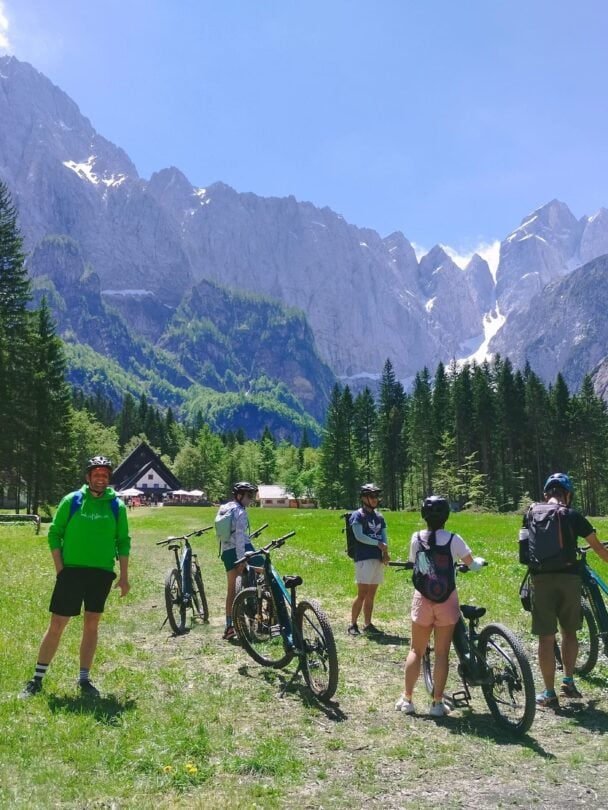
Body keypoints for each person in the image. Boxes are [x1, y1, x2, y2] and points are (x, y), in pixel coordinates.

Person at [19, 456, 131, 699]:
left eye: (105, 474)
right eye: (96, 473)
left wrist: (124, 577)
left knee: (92, 624)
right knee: (57, 624)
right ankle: (36, 680)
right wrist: (60, 569)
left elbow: (123, 541)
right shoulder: (72, 501)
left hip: (101, 573)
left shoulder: (116, 506)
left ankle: (84, 680)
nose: (101, 477)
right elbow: (54, 534)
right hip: (71, 572)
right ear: (88, 477)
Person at [395, 495, 484, 717]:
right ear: (446, 516)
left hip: (422, 599)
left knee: (416, 649)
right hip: (447, 601)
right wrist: (478, 563)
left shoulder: (416, 538)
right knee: (442, 653)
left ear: (424, 516)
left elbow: (418, 564)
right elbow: (471, 565)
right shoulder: (454, 539)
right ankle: (436, 703)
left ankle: (407, 699)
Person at [525, 472, 608, 707]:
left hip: (540, 581)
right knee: (569, 632)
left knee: (545, 638)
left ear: (546, 494)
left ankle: (549, 693)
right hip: (569, 579)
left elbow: (524, 550)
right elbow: (598, 549)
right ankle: (568, 681)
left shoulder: (531, 514)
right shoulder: (572, 515)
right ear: (567, 495)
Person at [215, 481, 258, 640]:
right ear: (239, 495)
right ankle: (265, 608)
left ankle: (229, 627)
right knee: (266, 569)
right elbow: (240, 537)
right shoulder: (240, 512)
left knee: (231, 590)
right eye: (248, 495)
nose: (251, 499)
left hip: (227, 552)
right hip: (242, 549)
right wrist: (242, 559)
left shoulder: (223, 508)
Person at [347, 483, 390, 636]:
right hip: (364, 558)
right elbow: (359, 536)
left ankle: (368, 623)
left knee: (372, 594)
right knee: (362, 593)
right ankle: (352, 624)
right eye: (372, 496)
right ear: (364, 498)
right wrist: (378, 543)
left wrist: (385, 552)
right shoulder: (357, 515)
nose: (375, 499)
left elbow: (384, 536)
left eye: (376, 496)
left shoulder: (379, 516)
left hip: (377, 558)